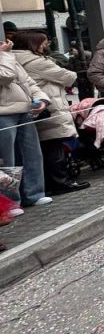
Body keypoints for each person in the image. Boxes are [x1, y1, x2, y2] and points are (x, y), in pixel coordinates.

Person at [11, 33, 88, 195]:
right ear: (33, 44)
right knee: (54, 147)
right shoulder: (36, 61)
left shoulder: (15, 59)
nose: (46, 46)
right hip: (51, 106)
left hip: (39, 107)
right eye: (44, 43)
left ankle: (49, 184)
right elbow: (67, 76)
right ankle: (60, 182)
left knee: (45, 149)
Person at [0, 39, 52, 211]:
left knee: (32, 154)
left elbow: (27, 82)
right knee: (7, 159)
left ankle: (34, 194)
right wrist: (5, 55)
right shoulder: (6, 57)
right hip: (3, 113)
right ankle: (10, 202)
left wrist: (42, 99)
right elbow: (5, 76)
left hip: (24, 110)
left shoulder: (7, 57)